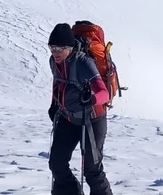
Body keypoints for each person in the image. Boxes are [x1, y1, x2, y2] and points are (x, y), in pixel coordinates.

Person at [46, 22, 113, 195]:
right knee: (57, 163)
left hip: (92, 120)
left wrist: (92, 99)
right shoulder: (54, 61)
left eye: (59, 49)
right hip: (68, 118)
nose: (54, 52)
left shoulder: (83, 63)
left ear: (69, 48)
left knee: (92, 171)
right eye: (52, 48)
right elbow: (57, 82)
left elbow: (104, 94)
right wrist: (54, 104)